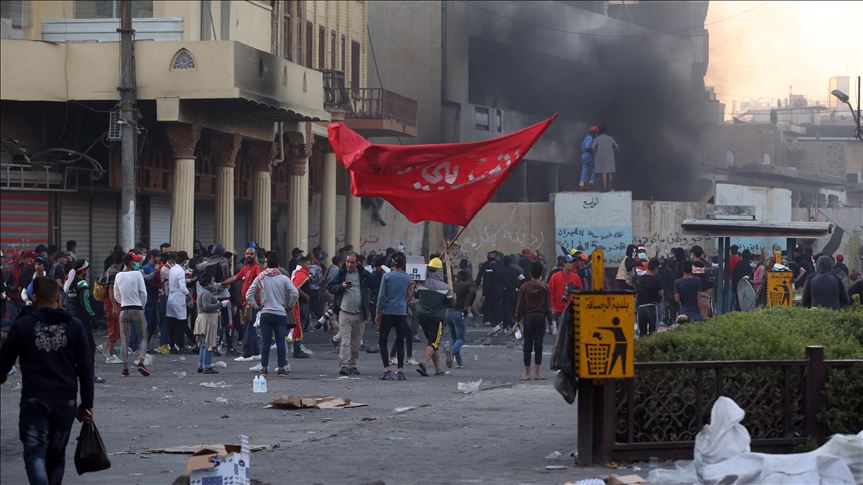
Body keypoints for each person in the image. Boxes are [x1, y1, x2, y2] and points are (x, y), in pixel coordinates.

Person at [0, 278, 94, 485]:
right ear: (58, 298)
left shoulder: (24, 325)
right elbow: (86, 369)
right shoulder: (75, 326)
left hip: (35, 399)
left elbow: (4, 360)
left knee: (34, 453)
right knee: (57, 454)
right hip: (65, 400)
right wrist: (87, 404)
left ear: (34, 298)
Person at [245, 253, 298, 376]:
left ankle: (264, 367)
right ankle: (281, 368)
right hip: (280, 313)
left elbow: (248, 295)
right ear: (278, 264)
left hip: (266, 313)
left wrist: (257, 306)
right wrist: (289, 306)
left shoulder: (261, 277)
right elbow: (295, 293)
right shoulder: (283, 278)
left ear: (267, 264)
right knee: (280, 341)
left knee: (265, 342)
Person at [327, 252, 371, 376]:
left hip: (360, 313)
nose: (349, 264)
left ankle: (353, 364)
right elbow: (330, 287)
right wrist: (341, 286)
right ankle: (344, 365)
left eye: (352, 262)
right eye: (347, 261)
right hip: (345, 312)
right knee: (345, 340)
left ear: (357, 263)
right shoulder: (341, 274)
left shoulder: (362, 274)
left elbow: (373, 283)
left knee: (356, 342)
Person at [221, 246, 264, 361]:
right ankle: (255, 352)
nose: (249, 256)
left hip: (252, 302)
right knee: (250, 327)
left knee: (248, 328)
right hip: (247, 302)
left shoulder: (257, 267)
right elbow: (236, 277)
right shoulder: (246, 267)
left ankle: (247, 354)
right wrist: (222, 284)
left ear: (255, 256)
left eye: (251, 254)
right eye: (247, 253)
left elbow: (261, 279)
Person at [374, 252, 412, 381]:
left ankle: (386, 369)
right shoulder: (407, 278)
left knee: (383, 341)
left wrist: (378, 312)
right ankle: (400, 371)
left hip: (387, 312)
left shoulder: (387, 277)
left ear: (392, 264)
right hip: (401, 312)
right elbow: (408, 296)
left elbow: (381, 297)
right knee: (400, 341)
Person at [513, 262, 554, 380]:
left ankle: (526, 373)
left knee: (527, 345)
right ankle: (537, 373)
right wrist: (550, 323)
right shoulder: (544, 288)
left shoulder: (524, 287)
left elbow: (519, 305)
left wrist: (516, 321)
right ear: (541, 274)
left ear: (530, 273)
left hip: (528, 318)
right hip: (540, 318)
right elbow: (548, 307)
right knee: (538, 345)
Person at [414, 258, 453, 377]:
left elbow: (416, 295)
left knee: (432, 342)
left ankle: (438, 368)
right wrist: (452, 296)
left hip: (422, 317)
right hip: (436, 318)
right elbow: (451, 305)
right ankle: (424, 363)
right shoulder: (446, 288)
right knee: (434, 343)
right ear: (440, 271)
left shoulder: (420, 284)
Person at [113, 253, 150, 377]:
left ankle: (125, 369)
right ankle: (140, 361)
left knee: (124, 340)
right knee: (143, 336)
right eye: (134, 261)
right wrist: (142, 306)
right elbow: (143, 293)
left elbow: (116, 295)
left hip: (124, 310)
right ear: (130, 262)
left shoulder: (118, 275)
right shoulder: (138, 274)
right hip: (137, 308)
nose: (136, 263)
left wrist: (123, 302)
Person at [194, 273, 226, 374]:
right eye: (212, 281)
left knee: (204, 344)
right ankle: (206, 366)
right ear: (208, 282)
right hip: (207, 320)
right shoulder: (206, 293)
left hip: (203, 319)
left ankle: (201, 364)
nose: (214, 283)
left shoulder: (204, 292)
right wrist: (220, 304)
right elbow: (206, 306)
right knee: (208, 343)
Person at [547, 255, 583, 333]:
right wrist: (552, 307)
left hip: (572, 310)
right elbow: (550, 293)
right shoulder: (555, 277)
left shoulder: (576, 277)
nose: (572, 264)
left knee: (572, 334)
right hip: (559, 310)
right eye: (569, 262)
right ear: (564, 263)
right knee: (560, 335)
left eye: (572, 262)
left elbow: (580, 293)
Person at [446, 270, 474, 369]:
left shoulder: (452, 284)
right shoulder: (466, 285)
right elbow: (473, 292)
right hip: (458, 312)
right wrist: (468, 305)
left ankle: (459, 362)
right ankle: (452, 352)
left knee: (454, 339)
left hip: (448, 313)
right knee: (461, 338)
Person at [166, 251, 191, 353]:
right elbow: (183, 287)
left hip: (171, 297)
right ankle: (180, 346)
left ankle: (172, 345)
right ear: (184, 260)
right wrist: (190, 297)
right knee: (181, 322)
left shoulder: (172, 269)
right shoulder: (180, 271)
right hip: (178, 298)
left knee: (172, 323)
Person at [475, 251, 504, 328]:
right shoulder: (500, 265)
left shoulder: (486, 266)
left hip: (489, 291)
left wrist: (483, 292)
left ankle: (489, 320)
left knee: (488, 306)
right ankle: (496, 320)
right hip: (498, 290)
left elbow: (481, 278)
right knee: (496, 306)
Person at [636, 258, 662, 336]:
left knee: (642, 333)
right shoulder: (656, 279)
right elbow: (659, 294)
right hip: (652, 307)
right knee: (653, 334)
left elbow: (636, 295)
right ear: (656, 268)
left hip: (640, 308)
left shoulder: (639, 279)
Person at [141, 250, 161, 351]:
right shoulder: (146, 268)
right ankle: (143, 345)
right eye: (157, 256)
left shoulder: (156, 267)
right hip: (148, 298)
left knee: (153, 323)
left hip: (154, 298)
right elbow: (147, 281)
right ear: (152, 257)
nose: (159, 258)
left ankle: (146, 344)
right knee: (148, 322)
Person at [591, 125, 619, 192]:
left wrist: (596, 152)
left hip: (601, 157)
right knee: (609, 173)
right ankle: (609, 188)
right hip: (610, 157)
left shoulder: (597, 138)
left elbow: (592, 147)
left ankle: (605, 188)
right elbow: (617, 147)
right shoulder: (610, 138)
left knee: (604, 172)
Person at [579, 125, 599, 191]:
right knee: (596, 168)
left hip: (584, 155)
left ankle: (582, 184)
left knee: (585, 169)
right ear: (594, 133)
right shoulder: (590, 138)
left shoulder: (586, 137)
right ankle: (591, 182)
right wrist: (594, 151)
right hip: (588, 155)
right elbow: (587, 147)